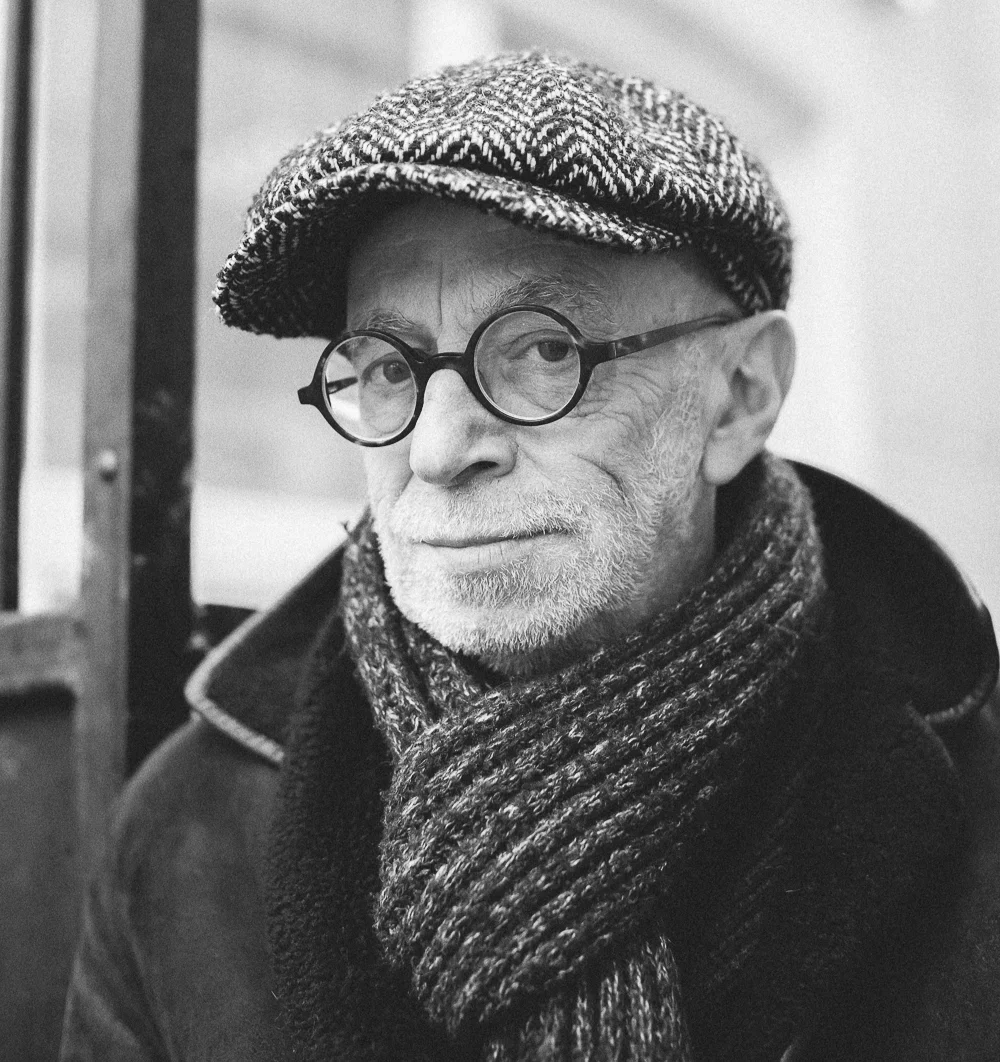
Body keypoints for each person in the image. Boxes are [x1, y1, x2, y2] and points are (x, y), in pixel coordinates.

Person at [60, 52, 1000, 1062]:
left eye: (544, 351)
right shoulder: (188, 829)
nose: (437, 450)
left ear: (739, 397)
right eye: (388, 370)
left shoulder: (973, 801)